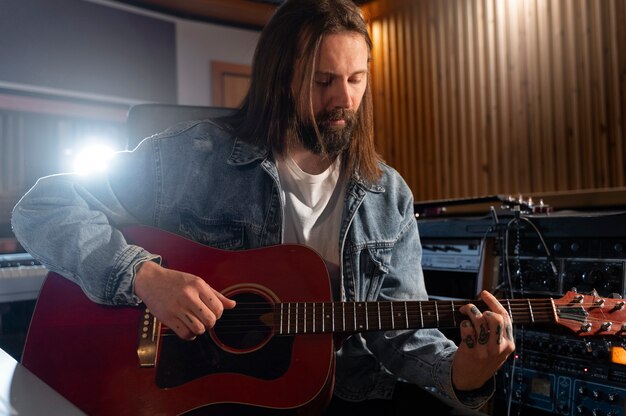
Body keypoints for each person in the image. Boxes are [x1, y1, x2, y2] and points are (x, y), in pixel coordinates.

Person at [11, 0, 514, 414]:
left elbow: (401, 333)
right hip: (201, 397)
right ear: (280, 78)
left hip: (338, 396)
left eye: (357, 79)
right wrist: (144, 276)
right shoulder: (191, 157)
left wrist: (461, 374)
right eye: (324, 81)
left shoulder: (388, 195)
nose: (345, 100)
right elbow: (43, 206)